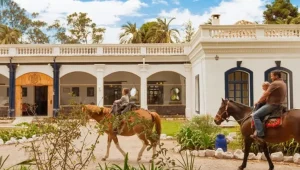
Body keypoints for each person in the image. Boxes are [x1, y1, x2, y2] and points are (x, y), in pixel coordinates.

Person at [251, 70, 287, 142]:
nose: (271, 77)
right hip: (279, 104)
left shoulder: (275, 83)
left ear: (276, 76)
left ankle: (260, 135)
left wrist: (258, 102)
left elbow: (265, 94)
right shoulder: (283, 83)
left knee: (255, 115)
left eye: (272, 76)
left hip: (272, 105)